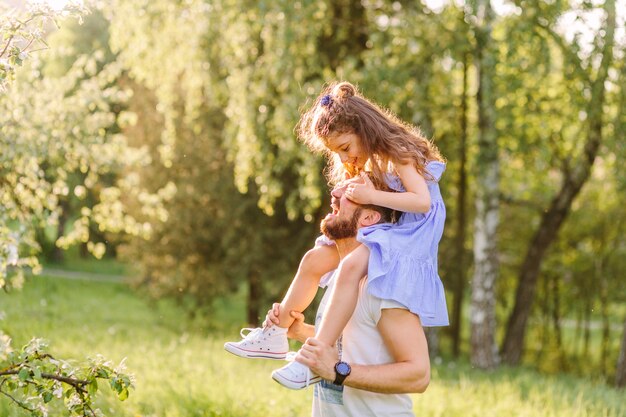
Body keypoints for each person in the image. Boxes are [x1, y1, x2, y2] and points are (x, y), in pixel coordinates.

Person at [224, 81, 448, 388]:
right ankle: (276, 333)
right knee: (314, 259)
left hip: (409, 232)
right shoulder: (366, 161)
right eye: (336, 153)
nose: (343, 159)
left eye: (345, 148)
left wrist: (373, 194)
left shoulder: (398, 151)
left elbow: (421, 203)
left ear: (364, 130)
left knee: (351, 266)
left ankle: (314, 357)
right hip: (384, 228)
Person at [268, 177, 430, 416]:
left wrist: (338, 371)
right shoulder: (339, 278)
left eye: (351, 194)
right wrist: (302, 333)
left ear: (369, 218)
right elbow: (358, 343)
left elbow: (419, 375)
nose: (335, 193)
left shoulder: (383, 286)